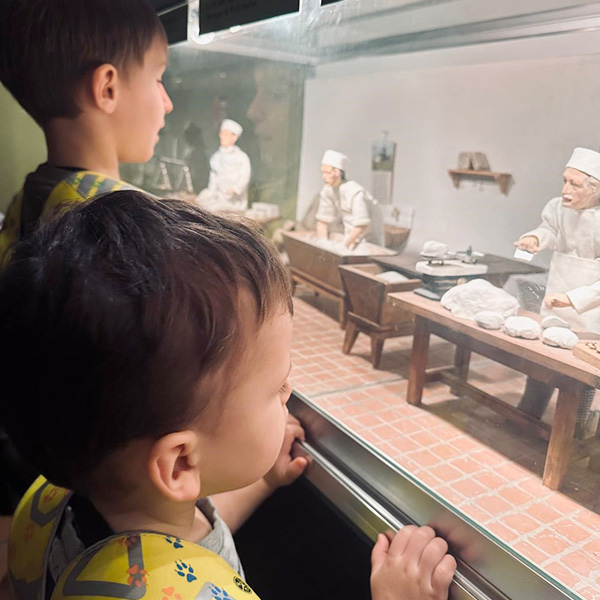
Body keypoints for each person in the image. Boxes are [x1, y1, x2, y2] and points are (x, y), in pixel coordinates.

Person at [1, 191, 456, 600]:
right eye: (276, 388)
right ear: (180, 463)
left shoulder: (59, 497)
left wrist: (262, 482)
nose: (290, 392)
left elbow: (178, 548)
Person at [0, 0, 174, 268]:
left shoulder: (25, 198)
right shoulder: (128, 222)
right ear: (107, 90)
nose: (167, 103)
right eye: (158, 80)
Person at [513, 147, 600, 437]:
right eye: (564, 181)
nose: (565, 190)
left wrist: (574, 300)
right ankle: (526, 419)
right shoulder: (557, 207)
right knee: (542, 367)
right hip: (556, 301)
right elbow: (549, 229)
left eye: (574, 185)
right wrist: (534, 238)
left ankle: (572, 435)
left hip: (590, 313)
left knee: (580, 381)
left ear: (595, 188)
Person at [315, 149, 381, 249]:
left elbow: (362, 225)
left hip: (368, 238)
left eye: (327, 173)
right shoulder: (328, 190)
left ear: (336, 172)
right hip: (350, 235)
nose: (323, 177)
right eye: (322, 172)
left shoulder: (355, 192)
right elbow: (322, 221)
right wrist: (322, 242)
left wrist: (343, 246)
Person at [197, 119, 251, 212]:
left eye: (226, 134)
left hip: (235, 202)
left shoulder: (241, 157)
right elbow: (214, 177)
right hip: (219, 198)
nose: (222, 137)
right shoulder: (216, 157)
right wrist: (210, 192)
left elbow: (245, 176)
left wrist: (235, 189)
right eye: (222, 134)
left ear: (234, 137)